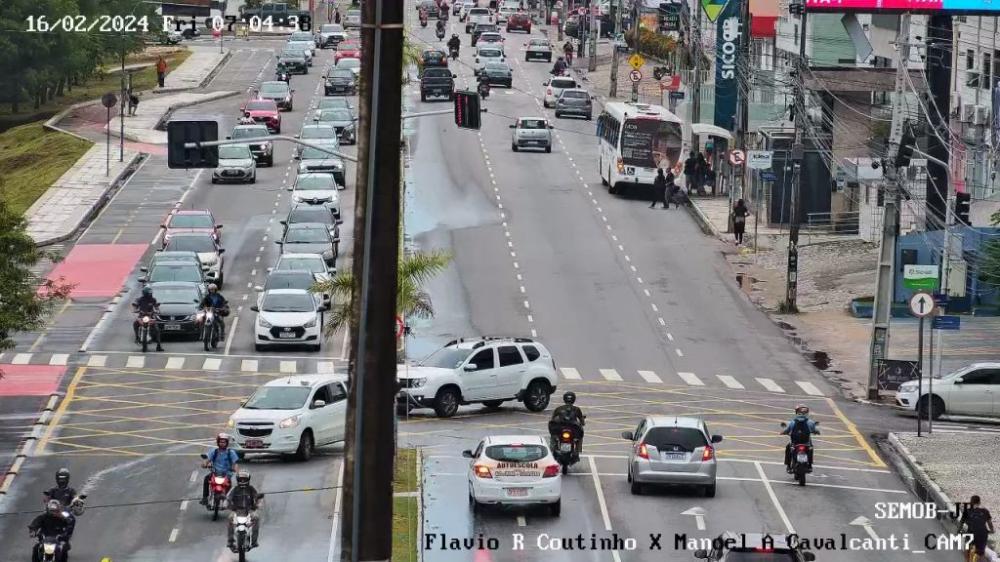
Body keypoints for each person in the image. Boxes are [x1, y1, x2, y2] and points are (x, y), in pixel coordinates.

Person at [227, 471, 263, 550]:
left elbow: (257, 497)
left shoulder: (251, 489)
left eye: (244, 479)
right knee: (230, 518)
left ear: (248, 480)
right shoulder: (234, 489)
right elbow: (228, 498)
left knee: (256, 518)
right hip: (237, 510)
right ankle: (230, 541)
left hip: (249, 510)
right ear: (238, 480)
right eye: (241, 479)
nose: (242, 481)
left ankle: (254, 541)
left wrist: (257, 502)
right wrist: (229, 505)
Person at [201, 433, 240, 506]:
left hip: (226, 474)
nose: (222, 444)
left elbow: (235, 464)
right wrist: (204, 464)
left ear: (227, 443)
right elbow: (207, 460)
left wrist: (237, 472)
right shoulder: (214, 451)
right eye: (220, 442)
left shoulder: (231, 452)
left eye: (224, 442)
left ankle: (227, 499)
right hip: (215, 473)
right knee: (206, 479)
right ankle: (205, 498)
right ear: (218, 442)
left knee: (229, 485)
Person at [781, 405, 819, 472]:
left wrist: (783, 432)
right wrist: (817, 432)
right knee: (811, 449)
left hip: (795, 443)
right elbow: (815, 430)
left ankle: (788, 466)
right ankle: (810, 465)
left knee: (788, 448)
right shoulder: (810, 422)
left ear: (797, 412)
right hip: (806, 443)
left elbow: (787, 430)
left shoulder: (792, 422)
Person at [42, 468, 78, 539]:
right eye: (60, 478)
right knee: (42, 518)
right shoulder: (52, 490)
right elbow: (47, 497)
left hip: (65, 511)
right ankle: (41, 534)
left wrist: (77, 501)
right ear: (57, 479)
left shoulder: (71, 491)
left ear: (67, 479)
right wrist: (46, 501)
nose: (62, 480)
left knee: (71, 519)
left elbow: (75, 498)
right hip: (53, 511)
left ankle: (67, 535)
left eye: (63, 478)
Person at [960, 495, 994, 561]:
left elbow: (962, 523)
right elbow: (989, 523)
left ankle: (966, 560)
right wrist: (992, 530)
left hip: (971, 533)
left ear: (971, 503)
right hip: (982, 534)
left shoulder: (967, 511)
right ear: (979, 502)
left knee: (967, 548)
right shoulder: (985, 511)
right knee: (981, 553)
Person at [132, 286, 163, 351]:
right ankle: (137, 337)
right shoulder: (139, 299)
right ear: (145, 293)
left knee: (157, 329)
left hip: (150, 316)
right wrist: (135, 310)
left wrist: (157, 310)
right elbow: (135, 306)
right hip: (142, 316)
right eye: (149, 293)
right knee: (135, 324)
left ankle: (159, 345)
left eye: (150, 293)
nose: (150, 294)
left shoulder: (153, 299)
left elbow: (156, 307)